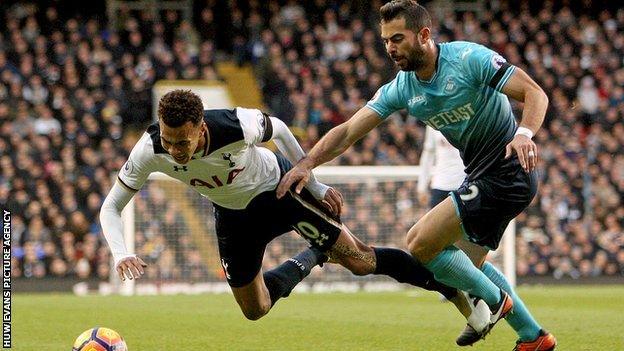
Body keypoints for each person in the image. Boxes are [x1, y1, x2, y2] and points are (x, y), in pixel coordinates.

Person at [276, 1, 556, 350]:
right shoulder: (404, 88)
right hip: (483, 178)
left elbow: (535, 92)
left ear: (424, 35)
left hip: (506, 172)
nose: (391, 48)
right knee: (462, 267)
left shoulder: (469, 59)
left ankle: (497, 302)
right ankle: (534, 338)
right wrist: (306, 164)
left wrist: (524, 134)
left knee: (419, 242)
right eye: (385, 41)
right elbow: (348, 132)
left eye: (398, 38)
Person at [100, 89, 489, 327]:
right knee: (255, 310)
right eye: (168, 141)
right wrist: (121, 252)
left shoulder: (236, 125)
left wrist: (313, 181)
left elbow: (282, 129)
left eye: (181, 143)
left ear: (201, 127)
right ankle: (313, 255)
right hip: (233, 216)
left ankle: (454, 291)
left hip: (280, 190)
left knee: (360, 261)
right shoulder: (150, 150)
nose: (174, 151)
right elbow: (111, 207)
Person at [417, 125, 465, 208]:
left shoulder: (468, 118)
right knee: (433, 220)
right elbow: (428, 155)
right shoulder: (432, 120)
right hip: (440, 185)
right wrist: (422, 186)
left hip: (463, 184)